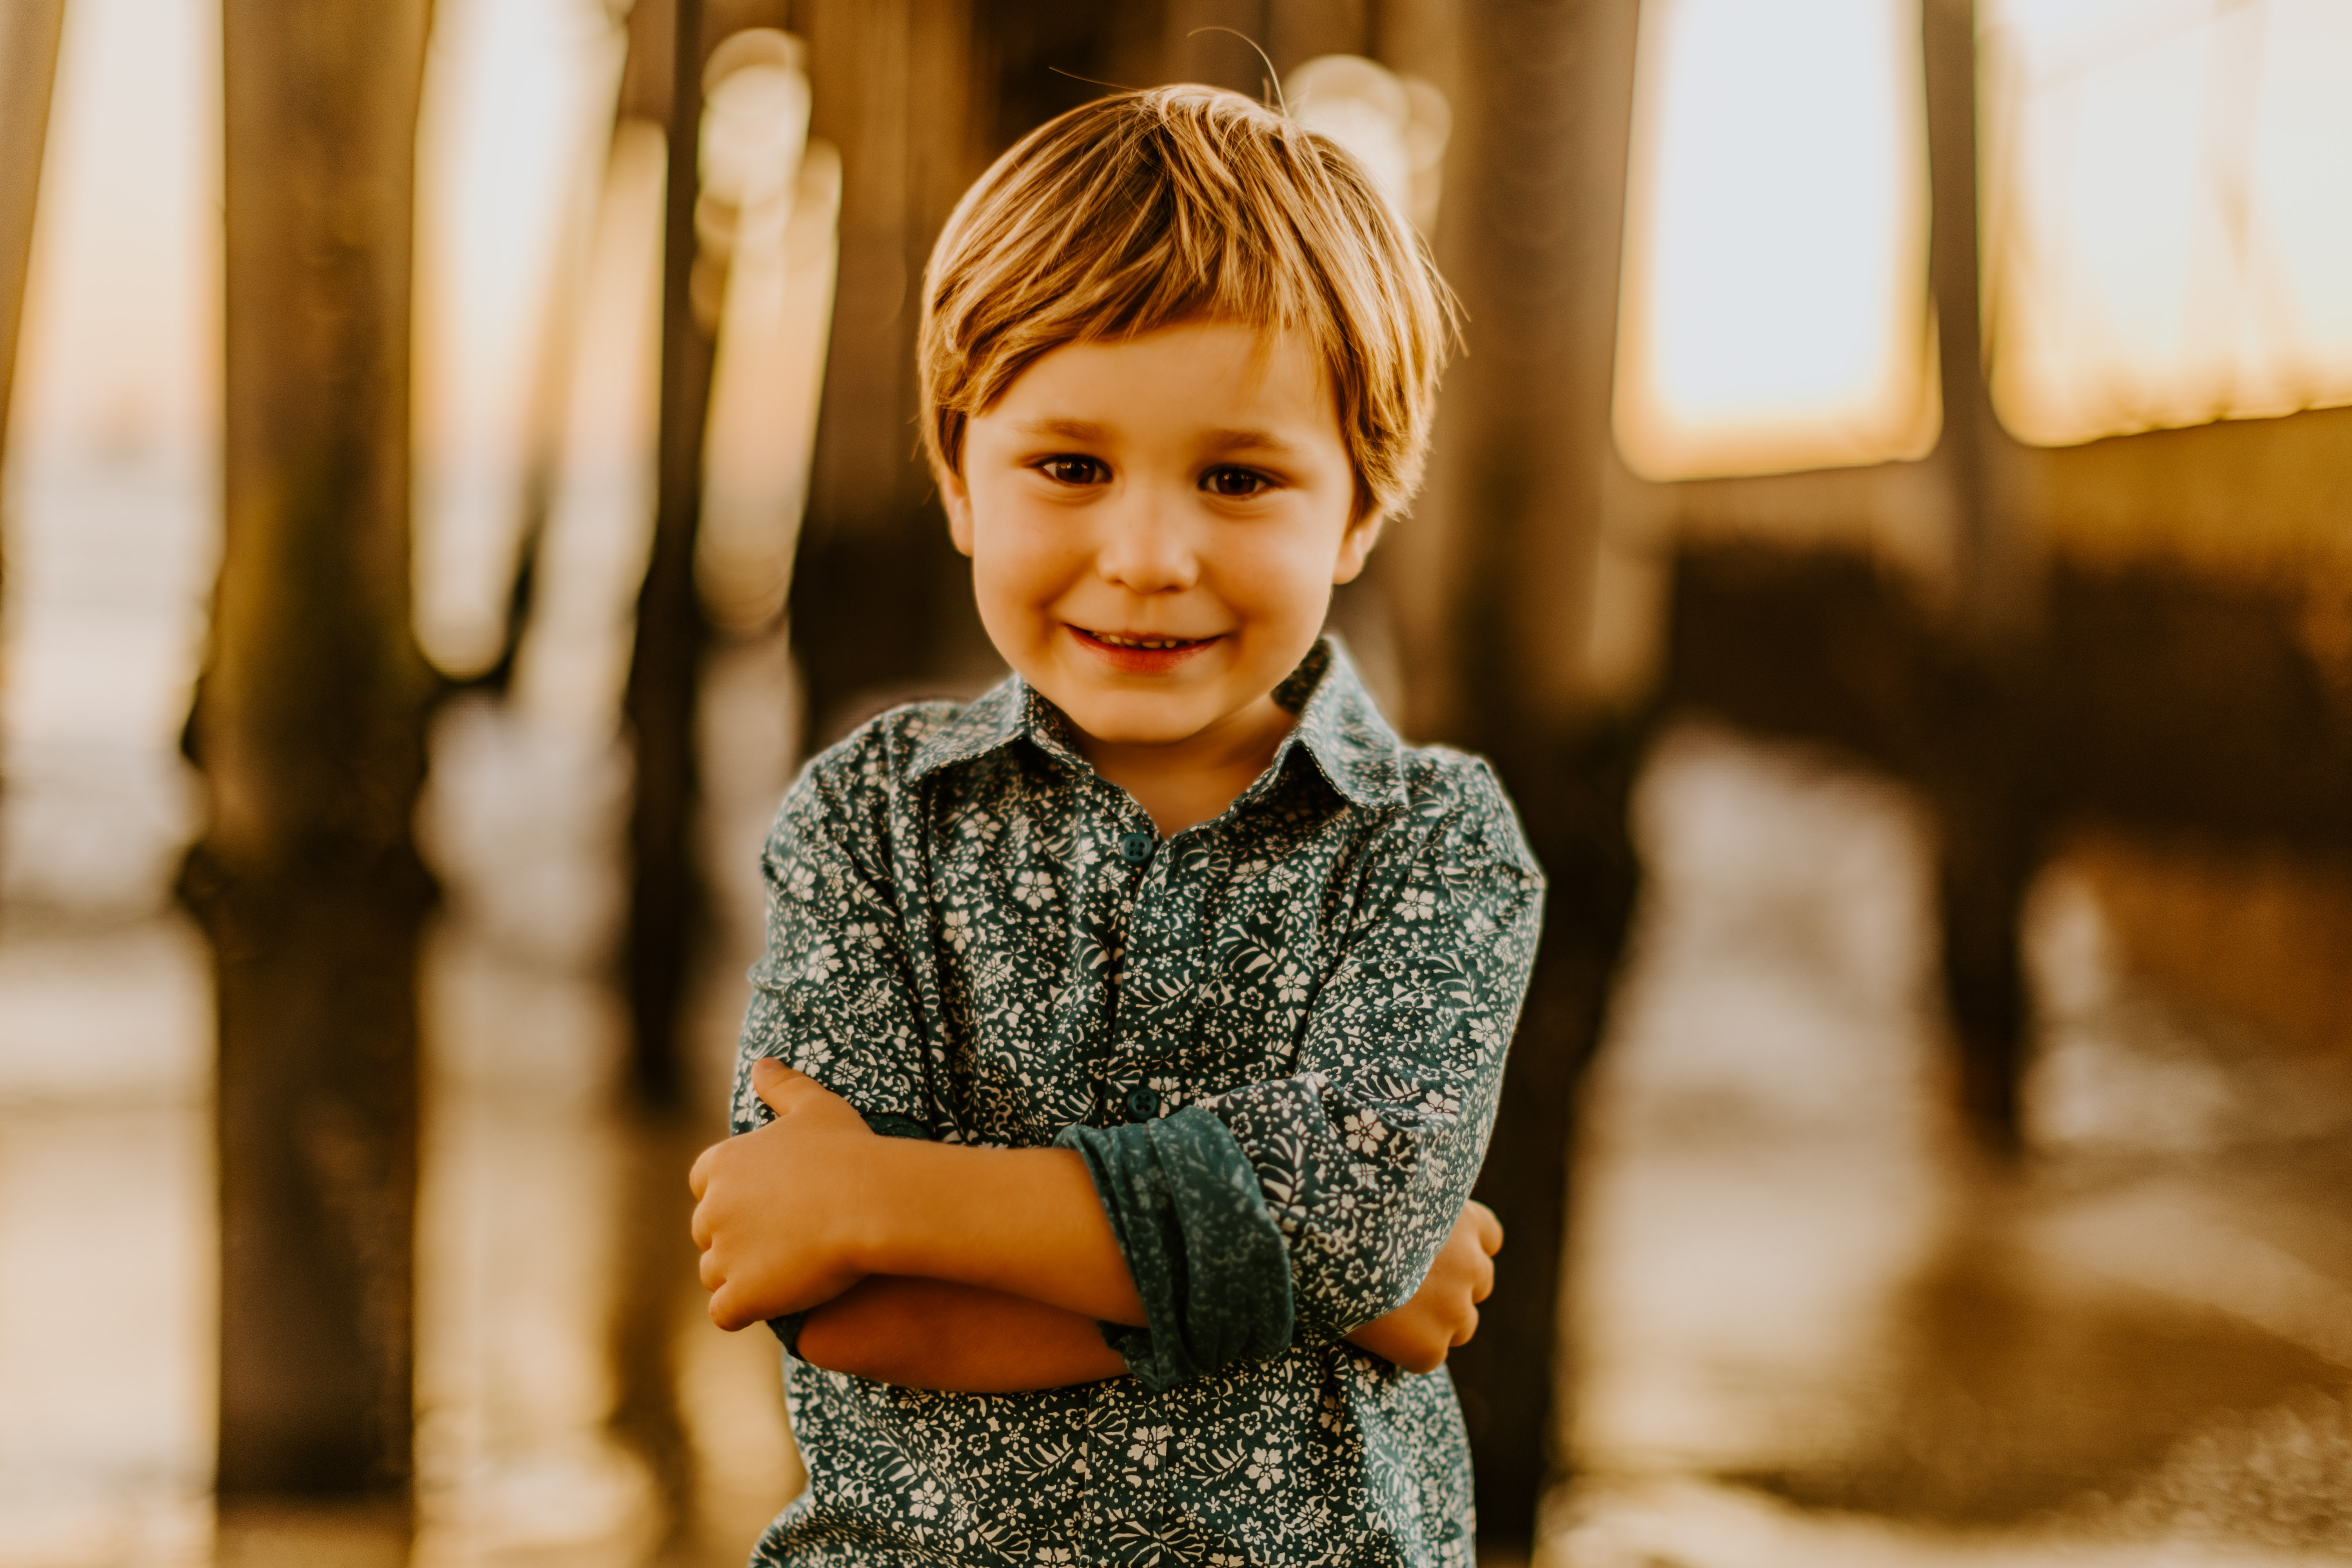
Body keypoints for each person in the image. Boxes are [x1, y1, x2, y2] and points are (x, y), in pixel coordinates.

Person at [688, 82, 1544, 1565]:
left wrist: (890, 1194)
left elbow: (1344, 1222)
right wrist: (1295, 1292)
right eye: (1071, 468)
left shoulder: (1439, 844)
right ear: (961, 476)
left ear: (1357, 510)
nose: (1147, 555)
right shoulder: (868, 822)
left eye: (1238, 477)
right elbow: (830, 1298)